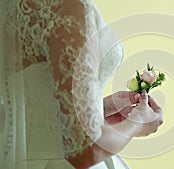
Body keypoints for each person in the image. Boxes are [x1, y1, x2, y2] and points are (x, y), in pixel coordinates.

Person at [0, 0, 163, 168]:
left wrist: (96, 108)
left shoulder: (13, 9)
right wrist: (138, 122)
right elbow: (86, 152)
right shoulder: (70, 6)